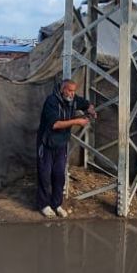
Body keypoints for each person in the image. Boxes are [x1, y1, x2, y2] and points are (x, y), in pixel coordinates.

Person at [36, 79, 96, 218]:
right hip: (46, 144)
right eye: (69, 90)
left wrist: (91, 110)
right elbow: (55, 124)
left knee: (59, 175)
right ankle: (44, 205)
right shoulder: (51, 101)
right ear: (63, 89)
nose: (72, 94)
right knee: (45, 175)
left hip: (61, 145)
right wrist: (77, 121)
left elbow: (86, 104)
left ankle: (56, 204)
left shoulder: (73, 100)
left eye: (74, 91)